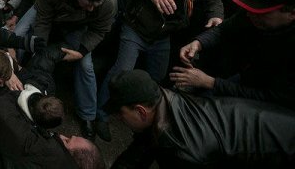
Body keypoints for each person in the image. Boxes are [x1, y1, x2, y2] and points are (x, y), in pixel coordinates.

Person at [96, 0, 223, 142]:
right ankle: (100, 115)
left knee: (156, 78)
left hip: (164, 36)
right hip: (136, 29)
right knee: (121, 71)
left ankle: (144, 122)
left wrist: (216, 15)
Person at [106, 70, 295, 168]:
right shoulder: (163, 100)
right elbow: (141, 150)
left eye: (120, 114)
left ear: (141, 111)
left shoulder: (184, 150)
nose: (119, 120)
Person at [170, 0, 295, 109]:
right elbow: (223, 29)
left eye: (260, 12)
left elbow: (275, 97)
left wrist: (210, 83)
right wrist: (199, 42)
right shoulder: (251, 16)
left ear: (291, 13)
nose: (249, 15)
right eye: (249, 9)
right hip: (243, 76)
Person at [19, 0, 117, 139]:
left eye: (97, 3)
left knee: (85, 65)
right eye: (89, 2)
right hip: (49, 13)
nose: (92, 7)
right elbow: (43, 18)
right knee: (20, 35)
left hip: (78, 26)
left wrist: (82, 51)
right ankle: (13, 79)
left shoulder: (108, 2)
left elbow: (99, 31)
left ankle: (88, 116)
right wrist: (40, 45)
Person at [0, 82, 104, 169]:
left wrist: (21, 95)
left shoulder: (42, 150)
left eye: (67, 141)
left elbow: (0, 109)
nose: (62, 136)